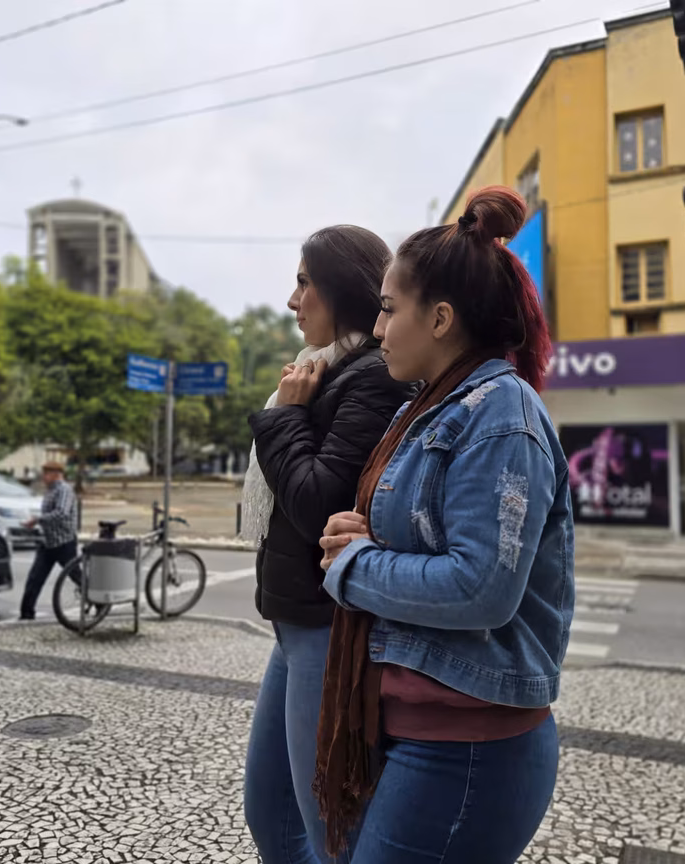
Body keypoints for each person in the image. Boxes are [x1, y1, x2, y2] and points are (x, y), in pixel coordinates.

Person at [314, 187, 575, 864]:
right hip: (421, 733)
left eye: (388, 308)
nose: (378, 329)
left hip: (466, 748)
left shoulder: (500, 415)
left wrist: (355, 564)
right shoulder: (435, 405)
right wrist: (359, 529)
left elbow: (481, 588)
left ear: (439, 318)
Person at [242, 225, 415, 863]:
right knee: (270, 814)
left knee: (328, 832)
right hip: (295, 626)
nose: (292, 301)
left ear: (341, 289)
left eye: (304, 282)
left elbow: (318, 503)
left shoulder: (371, 377)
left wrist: (286, 417)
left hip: (328, 627)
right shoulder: (327, 371)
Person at [19, 461, 79, 621]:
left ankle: (98, 601)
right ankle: (26, 614)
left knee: (76, 575)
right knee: (34, 579)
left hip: (64, 542)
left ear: (55, 474)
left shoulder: (64, 490)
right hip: (47, 542)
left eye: (46, 474)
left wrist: (38, 519)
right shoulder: (51, 490)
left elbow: (61, 513)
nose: (43, 477)